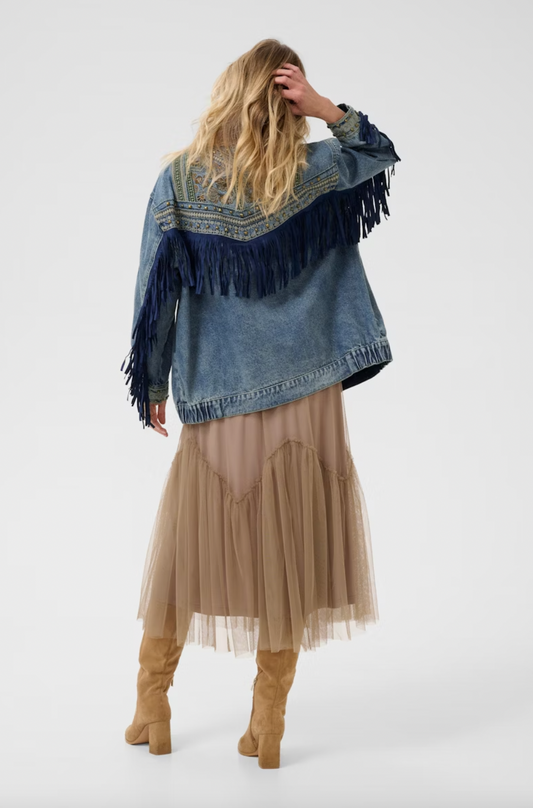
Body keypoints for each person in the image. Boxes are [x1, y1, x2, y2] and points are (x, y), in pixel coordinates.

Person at [120, 38, 401, 767]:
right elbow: (379, 153)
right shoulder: (316, 170)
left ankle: (153, 704)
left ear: (230, 91)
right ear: (286, 102)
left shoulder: (181, 180)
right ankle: (266, 724)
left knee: (185, 553)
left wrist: (152, 383)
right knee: (290, 556)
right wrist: (327, 108)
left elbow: (154, 291)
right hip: (310, 393)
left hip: (223, 395)